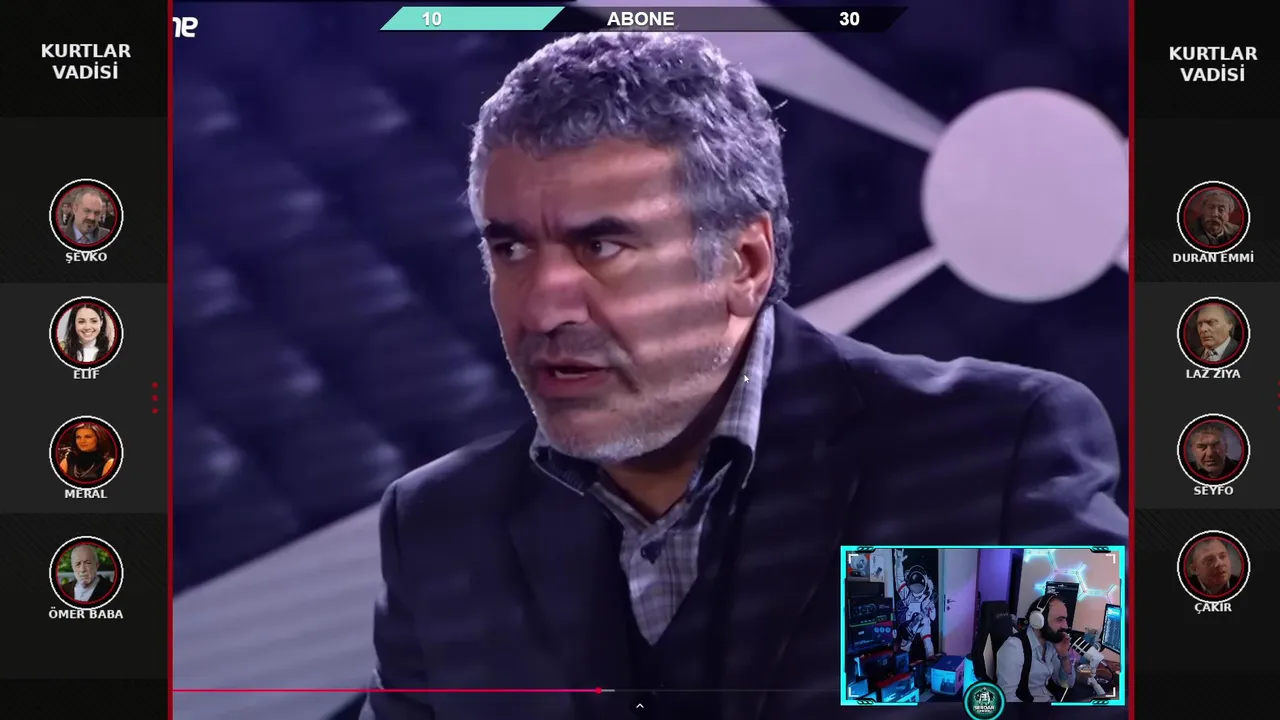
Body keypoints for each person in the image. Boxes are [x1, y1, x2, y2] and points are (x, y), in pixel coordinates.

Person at [362, 32, 1127, 720]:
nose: (542, 306)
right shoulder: (439, 530)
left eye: (602, 247)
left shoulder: (984, 460)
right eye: (511, 250)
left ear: (744, 262)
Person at [996, 595, 1077, 702]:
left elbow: (1066, 684)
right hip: (1029, 709)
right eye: (1059, 620)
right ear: (1038, 620)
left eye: (1065, 619)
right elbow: (1007, 698)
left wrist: (1064, 655)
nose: (1065, 626)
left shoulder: (1050, 645)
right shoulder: (1015, 648)